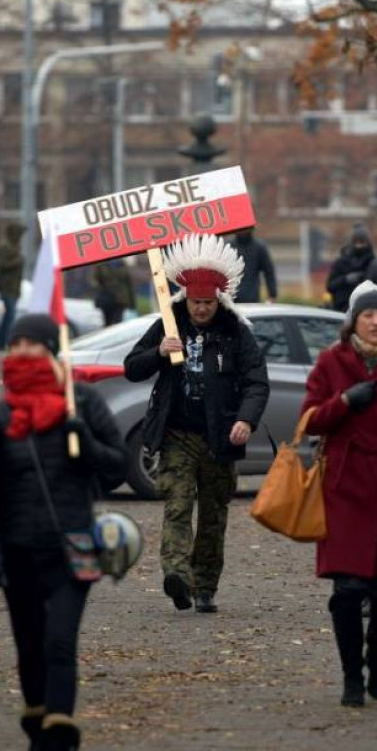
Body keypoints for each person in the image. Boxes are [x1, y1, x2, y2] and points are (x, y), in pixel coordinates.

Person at [0, 314, 127, 750]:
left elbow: (116, 466)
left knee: (59, 640)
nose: (22, 350)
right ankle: (39, 716)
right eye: (15, 343)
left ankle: (60, 728)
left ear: (50, 347)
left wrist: (85, 441)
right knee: (29, 646)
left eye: (31, 343)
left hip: (74, 545)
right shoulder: (1, 413)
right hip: (17, 549)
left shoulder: (80, 401)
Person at [124, 234, 268, 614]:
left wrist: (246, 420)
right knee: (177, 505)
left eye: (207, 303)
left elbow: (257, 381)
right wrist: (158, 352)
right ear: (184, 298)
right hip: (177, 435)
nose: (200, 309)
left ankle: (205, 585)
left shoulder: (236, 332)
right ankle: (177, 576)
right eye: (195, 302)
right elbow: (131, 367)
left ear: (217, 300)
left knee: (213, 516)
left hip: (220, 438)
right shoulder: (168, 325)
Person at [300, 279, 377, 707]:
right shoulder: (332, 362)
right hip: (346, 487)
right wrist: (346, 402)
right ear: (355, 321)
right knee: (347, 591)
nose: (375, 322)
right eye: (368, 315)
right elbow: (311, 421)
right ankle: (352, 675)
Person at [326, 223, 375, 312]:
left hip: (366, 308)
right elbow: (330, 286)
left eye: (362, 242)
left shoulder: (373, 263)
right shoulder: (340, 262)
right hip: (342, 308)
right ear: (351, 243)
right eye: (356, 242)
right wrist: (345, 279)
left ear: (367, 243)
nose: (359, 245)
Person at [227, 228, 277, 304]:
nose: (242, 230)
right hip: (231, 298)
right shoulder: (229, 247)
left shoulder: (259, 247)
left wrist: (272, 295)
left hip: (252, 298)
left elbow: (269, 272)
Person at [0, 224, 24, 350]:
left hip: (14, 288)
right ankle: (2, 344)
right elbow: (1, 265)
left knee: (9, 317)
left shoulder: (15, 246)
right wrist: (17, 261)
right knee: (9, 317)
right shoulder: (5, 247)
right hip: (7, 288)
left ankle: (3, 343)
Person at [93, 259, 136, 326]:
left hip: (120, 299)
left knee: (118, 322)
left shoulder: (122, 264)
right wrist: (101, 287)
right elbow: (94, 279)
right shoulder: (101, 265)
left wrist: (132, 303)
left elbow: (129, 284)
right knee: (107, 323)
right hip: (106, 298)